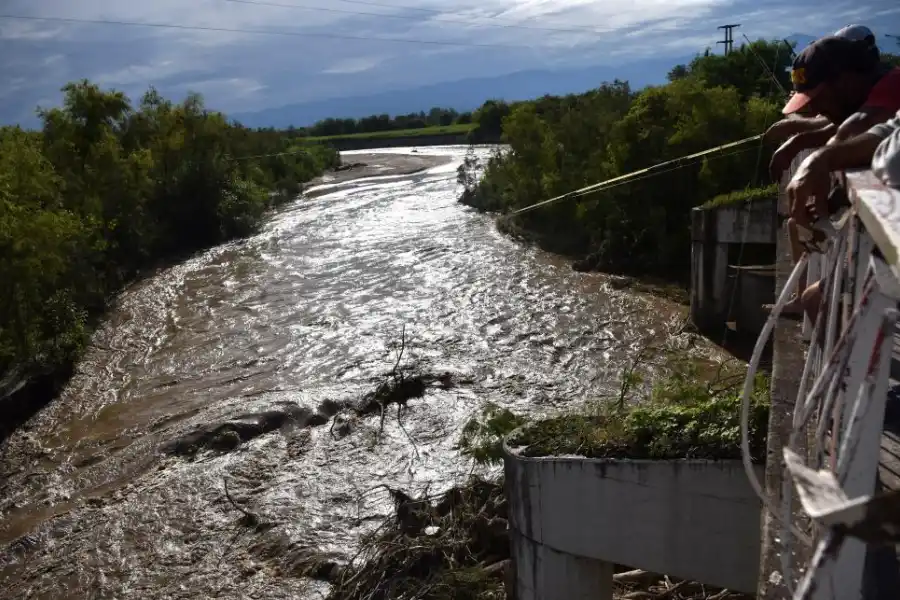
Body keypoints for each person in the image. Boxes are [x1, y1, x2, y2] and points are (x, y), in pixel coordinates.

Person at [764, 28, 883, 315]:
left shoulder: (890, 90)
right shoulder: (864, 100)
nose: (814, 109)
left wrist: (818, 158)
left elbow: (864, 128)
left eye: (818, 97)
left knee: (817, 300)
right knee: (814, 292)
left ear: (847, 80)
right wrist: (832, 199)